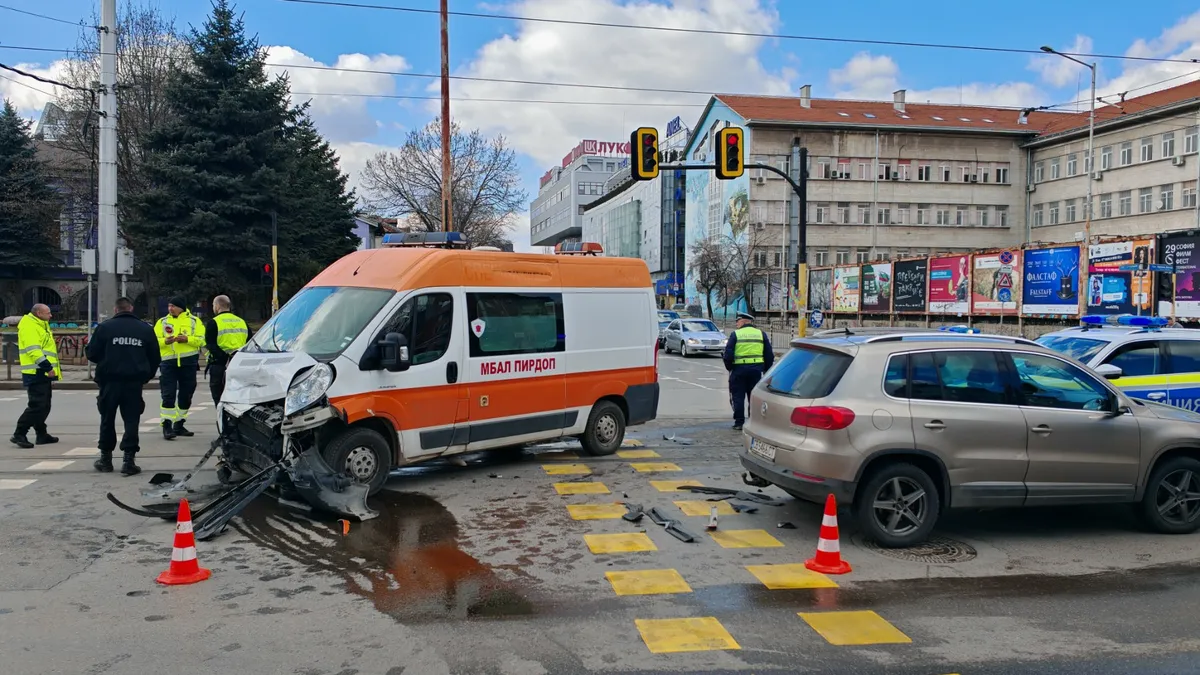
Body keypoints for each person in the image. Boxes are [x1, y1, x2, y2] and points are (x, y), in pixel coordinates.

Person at [86, 297, 160, 475]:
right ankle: (129, 461)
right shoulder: (145, 329)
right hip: (134, 382)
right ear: (131, 308)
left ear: (115, 309)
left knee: (107, 419)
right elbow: (155, 357)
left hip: (109, 381)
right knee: (132, 421)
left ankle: (105, 459)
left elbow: (91, 353)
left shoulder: (105, 328)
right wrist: (145, 377)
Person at [10, 303, 61, 448]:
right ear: (39, 313)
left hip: (41, 371)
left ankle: (41, 434)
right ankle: (19, 433)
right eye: (48, 313)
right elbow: (33, 350)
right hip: (36, 371)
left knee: (44, 405)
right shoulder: (30, 326)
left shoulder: (40, 324)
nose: (51, 315)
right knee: (37, 405)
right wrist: (47, 367)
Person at [154, 296, 205, 440]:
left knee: (186, 395)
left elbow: (202, 339)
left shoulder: (194, 321)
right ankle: (167, 426)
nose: (170, 309)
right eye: (169, 306)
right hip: (168, 363)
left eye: (173, 306)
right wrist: (165, 341)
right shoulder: (162, 322)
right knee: (168, 395)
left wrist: (187, 339)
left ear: (181, 307)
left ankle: (179, 424)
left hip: (188, 363)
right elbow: (154, 341)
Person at [722, 311, 774, 431]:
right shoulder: (761, 334)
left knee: (738, 397)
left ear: (744, 321)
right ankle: (753, 421)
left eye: (738, 321)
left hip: (739, 371)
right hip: (756, 371)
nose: (736, 324)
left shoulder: (736, 334)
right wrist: (765, 369)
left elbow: (728, 354)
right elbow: (769, 355)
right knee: (754, 397)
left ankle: (739, 422)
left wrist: (729, 367)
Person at [203, 295, 249, 404]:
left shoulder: (213, 323)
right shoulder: (242, 322)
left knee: (219, 397)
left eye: (213, 305)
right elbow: (249, 343)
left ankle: (222, 420)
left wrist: (224, 358)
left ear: (217, 306)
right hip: (239, 364)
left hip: (219, 365)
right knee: (237, 397)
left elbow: (211, 344)